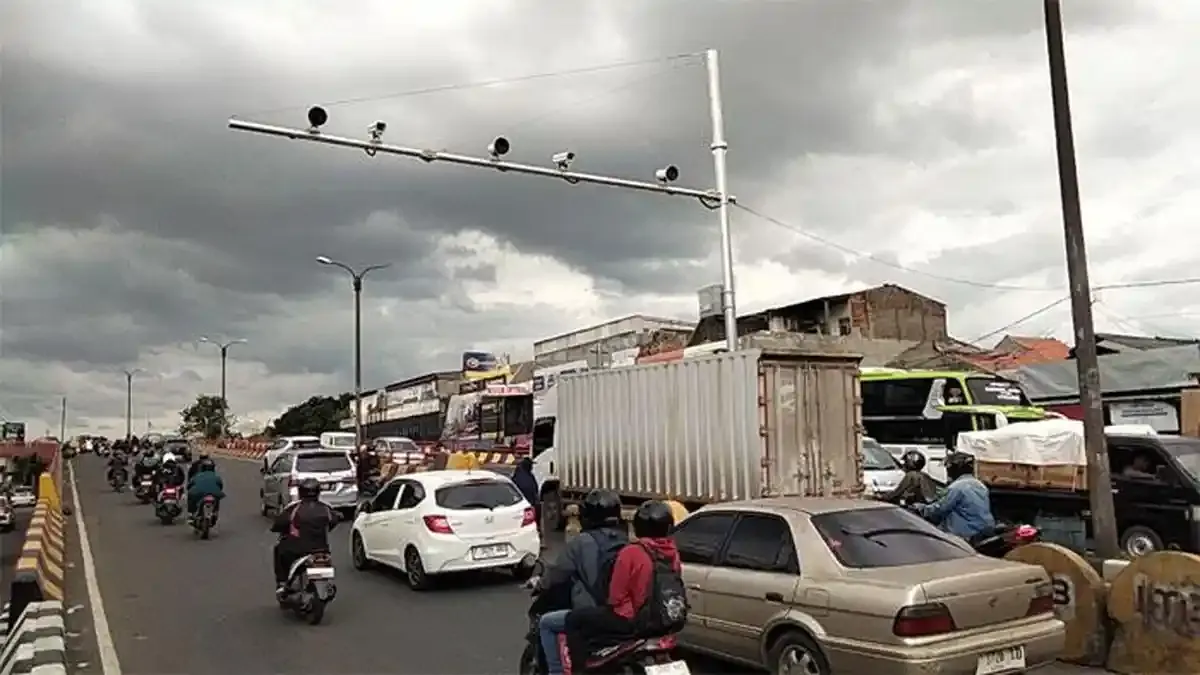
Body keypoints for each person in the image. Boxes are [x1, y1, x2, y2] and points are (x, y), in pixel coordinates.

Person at [562, 500, 685, 669]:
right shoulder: (672, 552)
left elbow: (615, 597)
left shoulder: (632, 552)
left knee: (574, 619)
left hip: (630, 620)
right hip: (664, 620)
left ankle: (580, 670)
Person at [536, 489, 628, 675]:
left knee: (546, 623)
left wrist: (539, 584)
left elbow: (557, 573)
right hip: (625, 613)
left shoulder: (581, 542)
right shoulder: (626, 540)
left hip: (595, 613)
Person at [270, 477, 338, 597]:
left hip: (297, 549)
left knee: (279, 550)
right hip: (322, 549)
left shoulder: (294, 509)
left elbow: (278, 524)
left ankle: (282, 583)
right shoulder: (326, 508)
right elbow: (334, 520)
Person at [918, 452, 995, 541]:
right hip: (983, 530)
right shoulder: (980, 485)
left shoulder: (957, 487)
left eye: (948, 468)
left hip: (965, 534)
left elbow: (941, 508)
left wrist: (922, 509)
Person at [186, 456, 225, 524]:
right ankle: (215, 513)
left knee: (190, 496)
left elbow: (189, 485)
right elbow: (220, 486)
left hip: (199, 493)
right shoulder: (216, 476)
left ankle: (191, 514)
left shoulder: (197, 475)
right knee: (217, 498)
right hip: (214, 493)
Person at [512, 457, 540, 531]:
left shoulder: (519, 474)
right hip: (526, 504)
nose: (532, 467)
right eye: (531, 465)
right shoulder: (526, 476)